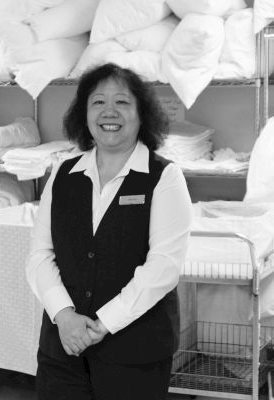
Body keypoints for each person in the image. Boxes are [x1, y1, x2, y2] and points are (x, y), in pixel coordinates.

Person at [26, 63, 193, 400]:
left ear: (142, 114)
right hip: (63, 348)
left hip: (135, 352)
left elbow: (163, 268)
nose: (109, 112)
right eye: (98, 102)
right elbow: (40, 255)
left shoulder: (164, 177)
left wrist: (101, 324)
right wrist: (65, 316)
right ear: (84, 115)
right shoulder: (63, 173)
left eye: (123, 102)